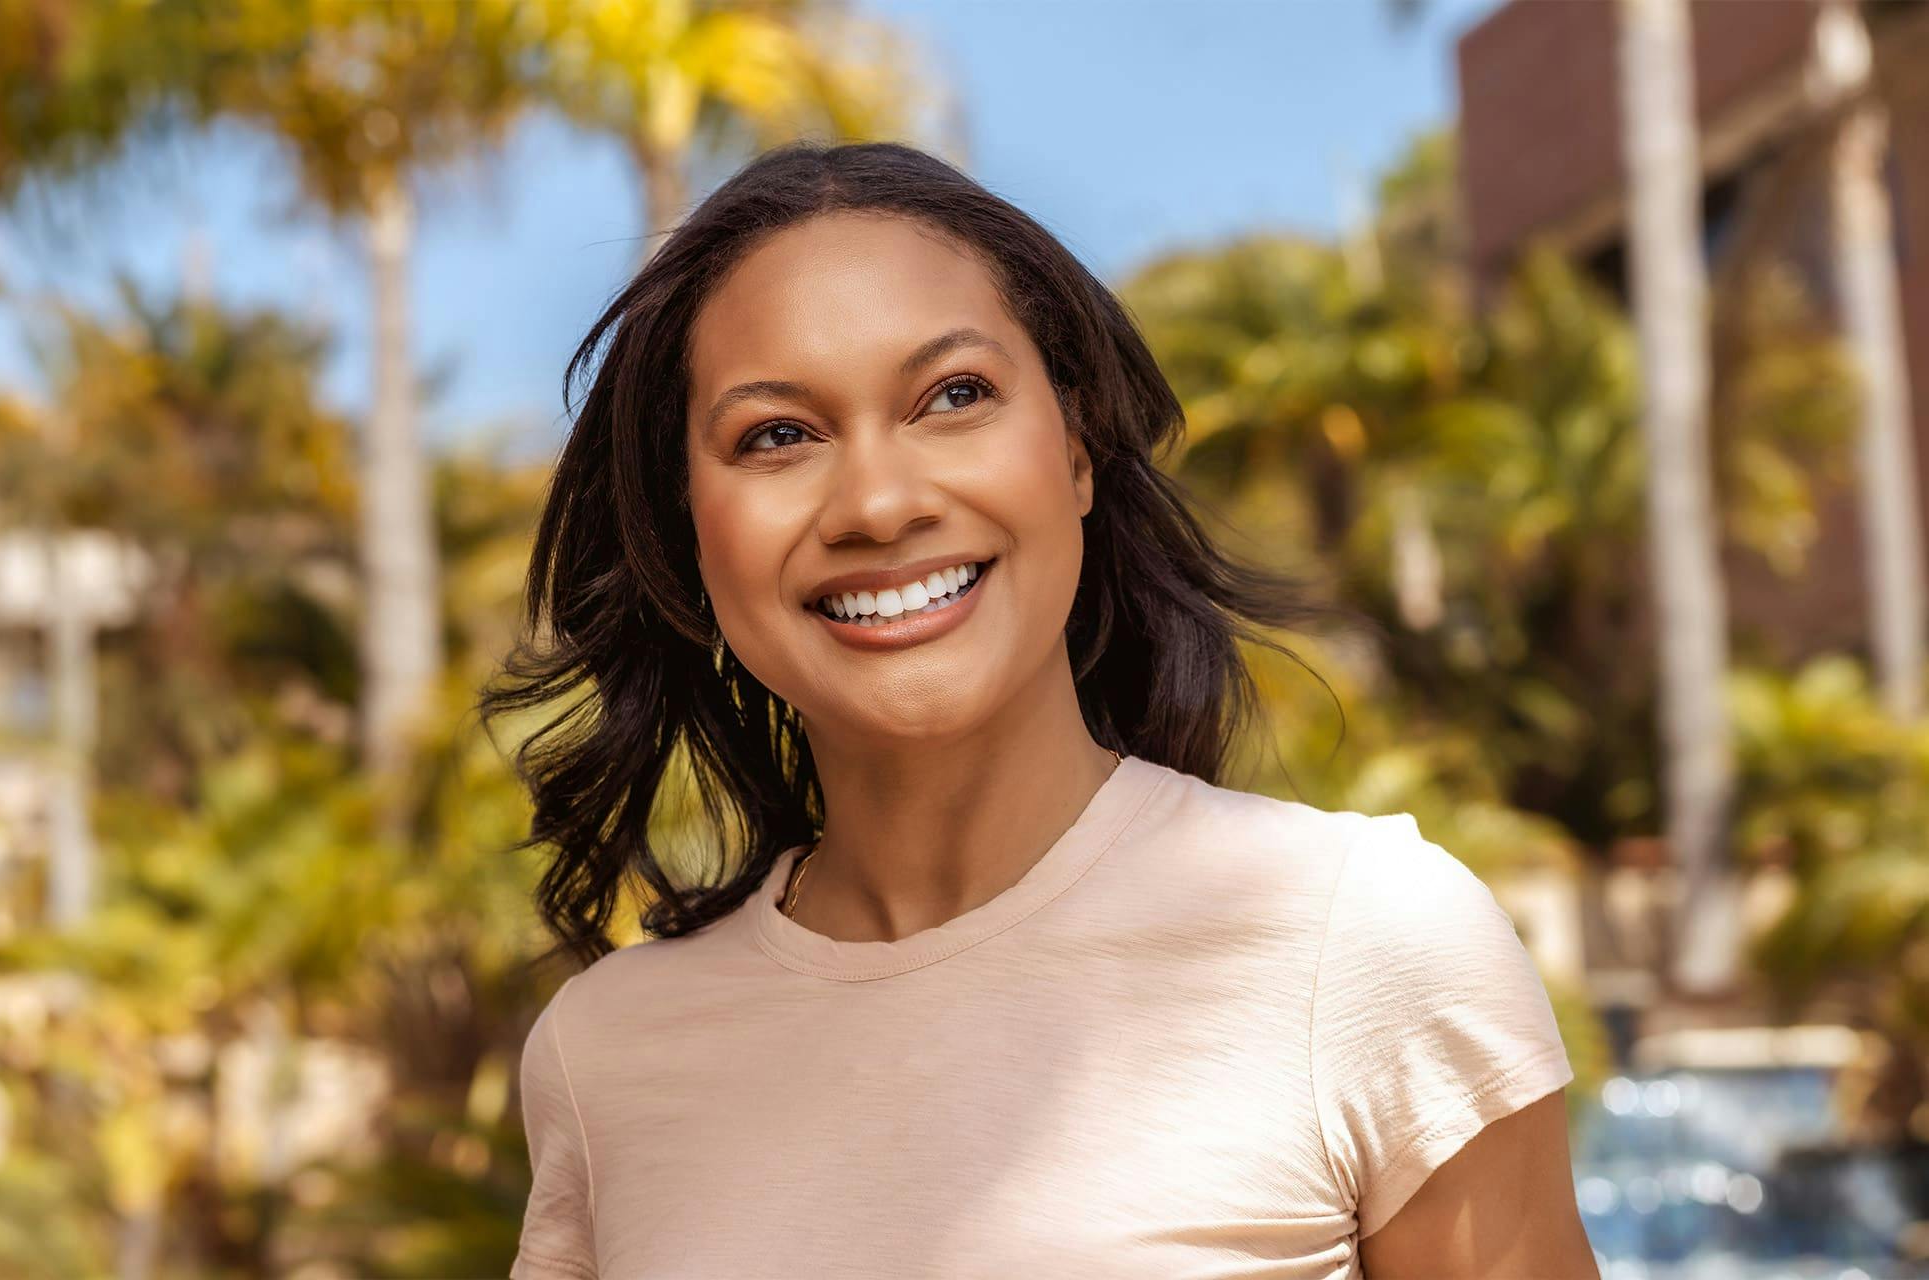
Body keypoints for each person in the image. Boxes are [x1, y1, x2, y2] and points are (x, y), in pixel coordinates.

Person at [483, 140, 1597, 1279]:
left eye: (953, 396)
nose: (876, 501)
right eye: (777, 434)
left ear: (1073, 449)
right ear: (685, 530)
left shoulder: (1358, 941)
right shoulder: (605, 1055)